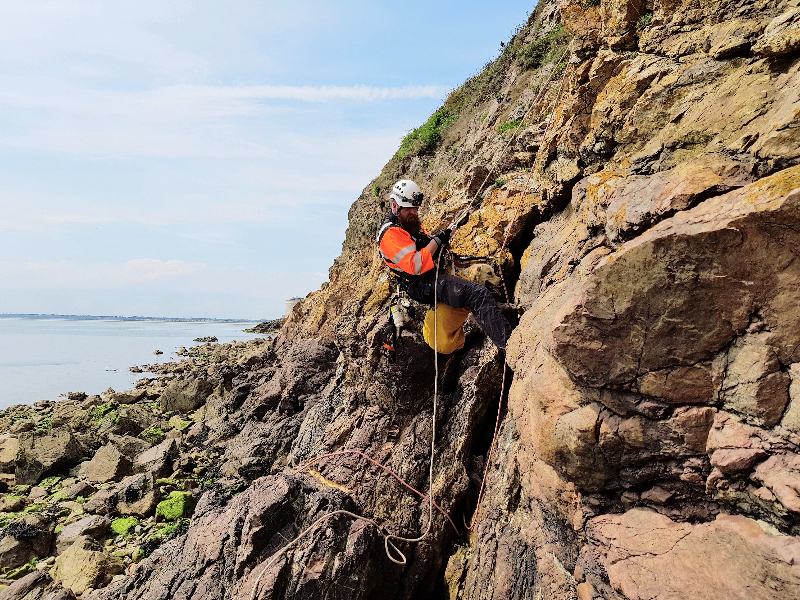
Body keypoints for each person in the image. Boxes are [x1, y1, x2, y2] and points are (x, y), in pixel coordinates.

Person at [376, 179, 513, 350]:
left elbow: (427, 244)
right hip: (421, 283)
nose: (414, 212)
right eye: (409, 209)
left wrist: (448, 233)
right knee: (478, 294)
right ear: (395, 206)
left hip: (430, 276)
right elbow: (415, 265)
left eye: (415, 208)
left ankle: (507, 321)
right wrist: (438, 239)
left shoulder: (406, 224)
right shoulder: (390, 234)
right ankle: (509, 346)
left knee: (478, 289)